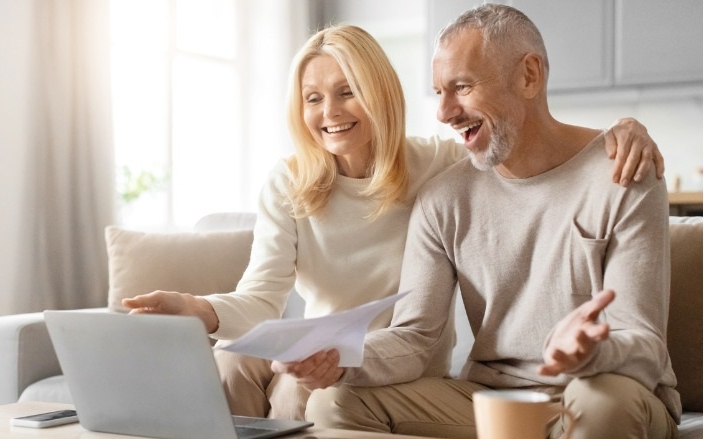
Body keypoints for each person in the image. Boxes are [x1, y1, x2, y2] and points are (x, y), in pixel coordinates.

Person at [122, 24, 666, 422]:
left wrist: (625, 129)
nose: (447, 112)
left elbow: (539, 152)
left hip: (572, 378)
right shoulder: (438, 189)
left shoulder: (443, 166)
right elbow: (269, 301)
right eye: (313, 98)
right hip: (377, 364)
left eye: (463, 87)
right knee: (255, 373)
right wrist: (203, 311)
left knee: (297, 397)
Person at [301, 5, 679, 438]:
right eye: (439, 92)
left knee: (598, 404)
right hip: (493, 400)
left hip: (603, 389)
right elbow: (414, 338)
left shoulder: (623, 172)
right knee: (333, 402)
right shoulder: (444, 198)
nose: (444, 112)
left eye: (461, 87)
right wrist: (339, 356)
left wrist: (592, 352)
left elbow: (644, 342)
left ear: (529, 76)